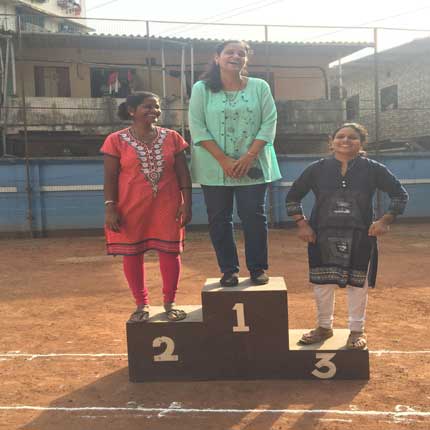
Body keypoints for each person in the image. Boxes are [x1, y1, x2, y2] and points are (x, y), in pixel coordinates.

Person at [286, 123, 408, 349]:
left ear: (361, 143)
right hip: (321, 235)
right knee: (322, 283)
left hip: (360, 235)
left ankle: (356, 330)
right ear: (331, 141)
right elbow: (293, 197)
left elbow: (400, 195)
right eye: (340, 136)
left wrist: (385, 220)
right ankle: (323, 327)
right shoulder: (317, 169)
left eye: (352, 137)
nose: (345, 141)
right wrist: (302, 224)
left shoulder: (373, 169)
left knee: (357, 284)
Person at [188, 40, 281, 287]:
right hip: (213, 166)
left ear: (246, 60)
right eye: (229, 52)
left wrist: (249, 157)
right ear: (217, 57)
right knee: (219, 218)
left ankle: (257, 268)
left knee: (254, 216)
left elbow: (269, 122)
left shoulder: (260, 87)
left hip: (254, 164)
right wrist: (224, 160)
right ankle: (228, 270)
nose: (235, 56)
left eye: (241, 53)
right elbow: (197, 125)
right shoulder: (202, 89)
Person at [101, 92, 192, 323]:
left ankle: (170, 302)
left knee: (170, 253)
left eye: (157, 107)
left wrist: (187, 203)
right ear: (132, 111)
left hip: (167, 205)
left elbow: (183, 173)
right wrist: (111, 207)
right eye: (147, 106)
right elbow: (110, 177)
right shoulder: (116, 140)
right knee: (132, 254)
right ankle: (141, 304)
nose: (153, 111)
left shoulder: (172, 138)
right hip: (130, 206)